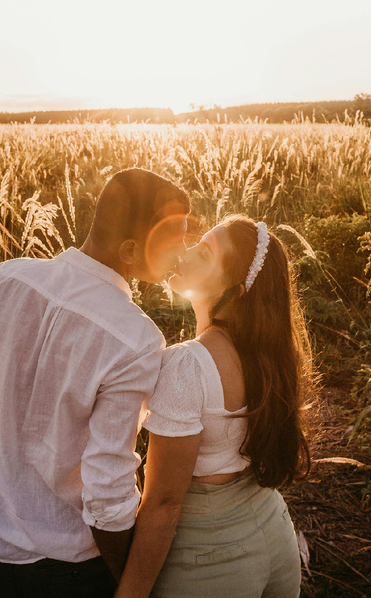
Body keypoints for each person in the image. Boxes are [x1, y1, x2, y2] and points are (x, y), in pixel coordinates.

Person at [0, 168, 190, 598]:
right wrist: (128, 582)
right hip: (68, 572)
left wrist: (1, 479)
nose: (182, 254)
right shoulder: (135, 340)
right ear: (131, 250)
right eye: (172, 242)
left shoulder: (1, 278)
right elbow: (107, 493)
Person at [115, 215, 315, 598]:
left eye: (204, 253)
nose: (185, 252)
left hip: (211, 564)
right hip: (275, 536)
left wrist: (130, 593)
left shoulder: (187, 365)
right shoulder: (267, 356)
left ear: (235, 292)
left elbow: (163, 504)